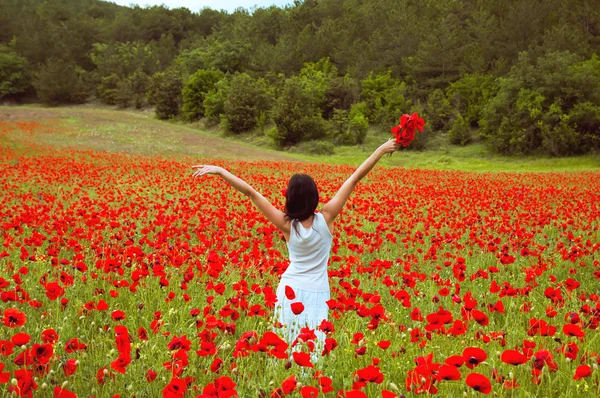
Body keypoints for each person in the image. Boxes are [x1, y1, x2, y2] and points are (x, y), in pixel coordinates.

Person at [192, 139, 400, 360]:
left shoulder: (286, 224)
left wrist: (220, 171)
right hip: (318, 292)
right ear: (314, 197)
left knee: (284, 343)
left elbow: (251, 193)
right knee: (313, 348)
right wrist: (380, 149)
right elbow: (355, 177)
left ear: (290, 198)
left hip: (289, 288)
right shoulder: (327, 217)